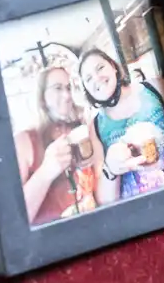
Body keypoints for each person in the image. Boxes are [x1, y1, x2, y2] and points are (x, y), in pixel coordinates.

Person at [78, 46, 164, 200]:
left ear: (113, 66)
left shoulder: (155, 88)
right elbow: (105, 200)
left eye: (100, 68)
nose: (96, 78)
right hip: (140, 208)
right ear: (87, 89)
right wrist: (111, 169)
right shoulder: (95, 126)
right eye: (88, 78)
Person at [13, 63, 100, 225]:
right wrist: (46, 172)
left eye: (68, 88)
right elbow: (13, 219)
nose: (67, 95)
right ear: (42, 98)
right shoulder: (24, 141)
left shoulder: (78, 130)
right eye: (58, 88)